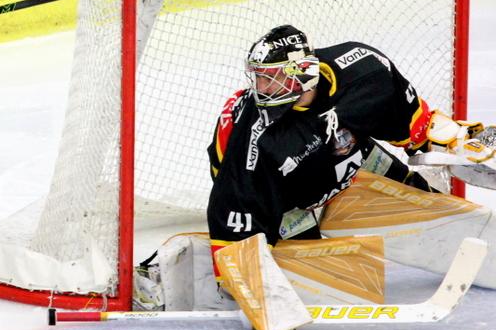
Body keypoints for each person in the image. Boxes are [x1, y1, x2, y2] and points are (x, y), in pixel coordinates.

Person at [206, 24, 494, 255]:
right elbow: (236, 207)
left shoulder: (365, 70)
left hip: (349, 153)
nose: (261, 88)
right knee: (317, 266)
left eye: (271, 77)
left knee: (425, 202)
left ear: (302, 73)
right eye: (258, 77)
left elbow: (416, 125)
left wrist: (452, 141)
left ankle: (468, 237)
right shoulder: (258, 138)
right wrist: (240, 261)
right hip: (282, 189)